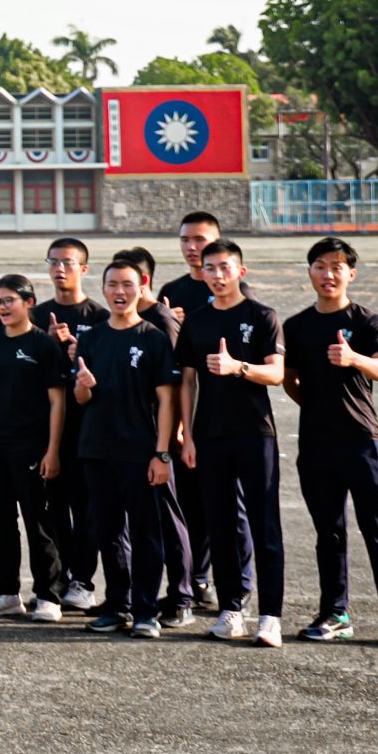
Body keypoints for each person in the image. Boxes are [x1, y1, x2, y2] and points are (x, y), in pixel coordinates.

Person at [282, 236, 378, 648]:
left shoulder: (367, 322)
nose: (328, 274)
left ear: (351, 274)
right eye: (320, 266)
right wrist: (318, 408)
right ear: (309, 272)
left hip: (361, 441)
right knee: (329, 534)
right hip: (316, 445)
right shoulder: (296, 326)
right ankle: (335, 613)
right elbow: (290, 381)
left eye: (337, 267)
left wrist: (355, 358)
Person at [178, 239, 286, 647]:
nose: (218, 275)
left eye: (225, 267)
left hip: (255, 433)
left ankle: (270, 617)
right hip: (210, 436)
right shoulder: (196, 321)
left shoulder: (262, 315)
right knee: (220, 525)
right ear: (202, 273)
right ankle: (231, 610)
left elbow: (276, 373)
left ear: (241, 271)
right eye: (210, 268)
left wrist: (238, 367)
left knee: (264, 525)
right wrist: (187, 435)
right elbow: (187, 382)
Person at [73, 254, 179, 638]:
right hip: (97, 449)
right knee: (108, 531)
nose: (120, 292)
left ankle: (146, 611)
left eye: (127, 285)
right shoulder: (91, 338)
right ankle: (117, 605)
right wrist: (83, 385)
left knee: (146, 533)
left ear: (142, 287)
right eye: (113, 285)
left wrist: (161, 453)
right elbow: (81, 399)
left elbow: (167, 400)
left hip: (140, 451)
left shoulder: (153, 338)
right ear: (103, 289)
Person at [0, 275, 69, 622]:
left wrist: (52, 451)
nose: (2, 307)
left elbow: (58, 402)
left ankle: (49, 596)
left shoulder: (44, 345)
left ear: (29, 303)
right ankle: (6, 593)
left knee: (38, 522)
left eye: (9, 300)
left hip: (30, 446)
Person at [156, 212, 226, 614]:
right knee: (187, 502)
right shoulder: (173, 291)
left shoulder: (234, 292)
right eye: (185, 240)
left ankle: (221, 581)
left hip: (221, 414)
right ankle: (191, 577)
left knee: (224, 505)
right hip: (184, 413)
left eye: (199, 239)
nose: (192, 247)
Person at [34, 239, 109, 613]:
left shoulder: (100, 316)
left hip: (87, 427)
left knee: (87, 506)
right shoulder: (36, 314)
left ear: (84, 268)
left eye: (68, 262)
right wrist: (47, 345)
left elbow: (108, 373)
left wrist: (79, 351)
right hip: (47, 427)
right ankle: (57, 578)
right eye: (54, 262)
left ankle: (83, 580)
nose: (59, 269)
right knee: (51, 507)